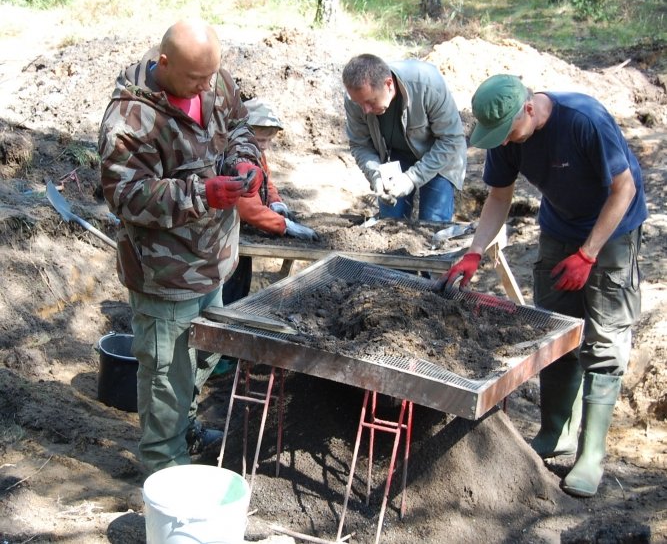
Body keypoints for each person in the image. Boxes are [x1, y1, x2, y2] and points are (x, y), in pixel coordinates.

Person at [440, 74, 647, 498]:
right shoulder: (506, 139)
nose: (506, 142)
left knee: (604, 338)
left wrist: (589, 254)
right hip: (559, 228)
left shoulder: (583, 120)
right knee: (555, 327)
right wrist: (476, 251)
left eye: (510, 132)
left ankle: (591, 454)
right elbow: (499, 198)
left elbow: (623, 189)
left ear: (529, 109)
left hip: (612, 229)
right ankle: (556, 432)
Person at [98, 19, 263, 474]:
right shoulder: (129, 122)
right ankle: (164, 474)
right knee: (166, 379)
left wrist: (247, 161)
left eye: (212, 76)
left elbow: (239, 126)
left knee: (201, 358)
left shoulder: (211, 77)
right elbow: (125, 196)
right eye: (195, 79)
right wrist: (202, 194)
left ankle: (183, 432)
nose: (207, 86)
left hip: (214, 261)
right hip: (165, 277)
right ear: (164, 63)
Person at [342, 53, 467, 222]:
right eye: (360, 104)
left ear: (388, 84)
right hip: (395, 155)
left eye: (371, 102)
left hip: (439, 155)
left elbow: (451, 140)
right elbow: (360, 144)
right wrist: (376, 175)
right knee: (389, 223)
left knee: (432, 224)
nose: (365, 110)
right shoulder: (356, 99)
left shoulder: (428, 84)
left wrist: (411, 178)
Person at [222, 98, 319, 305]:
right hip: (226, 234)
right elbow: (249, 208)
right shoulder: (238, 157)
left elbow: (266, 182)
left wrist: (276, 203)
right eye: (261, 140)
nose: (265, 146)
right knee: (228, 289)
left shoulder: (256, 153)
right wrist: (285, 226)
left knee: (241, 282)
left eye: (269, 140)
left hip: (241, 233)